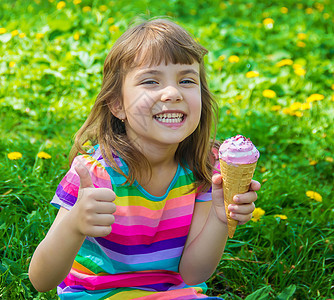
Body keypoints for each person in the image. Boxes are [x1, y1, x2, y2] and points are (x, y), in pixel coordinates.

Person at [28, 18, 260, 299]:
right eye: (151, 81)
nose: (173, 93)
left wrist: (219, 219)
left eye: (187, 80)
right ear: (117, 104)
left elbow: (193, 274)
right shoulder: (96, 174)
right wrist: (74, 223)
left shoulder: (205, 167)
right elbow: (41, 279)